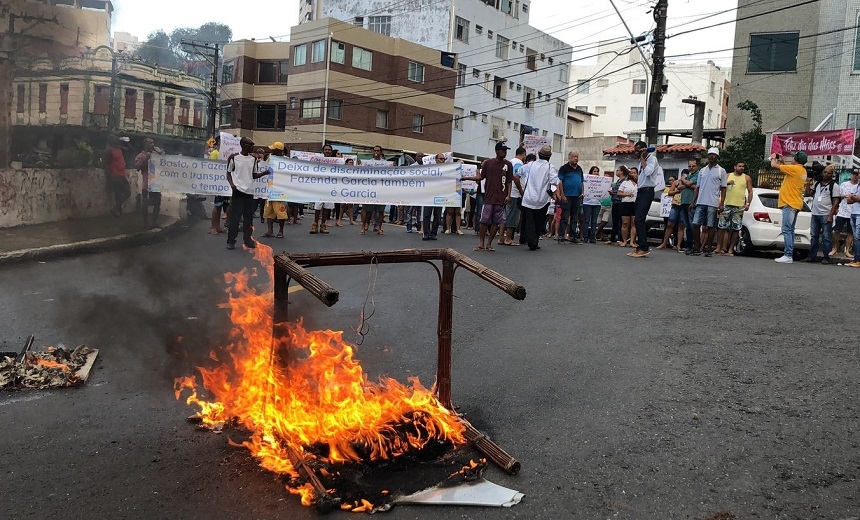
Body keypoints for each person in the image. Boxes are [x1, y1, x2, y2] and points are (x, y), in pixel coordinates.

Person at [465, 142, 513, 251]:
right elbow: (481, 177)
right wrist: (466, 178)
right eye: (502, 150)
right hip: (488, 197)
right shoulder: (488, 163)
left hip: (500, 198)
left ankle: (489, 243)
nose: (504, 152)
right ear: (497, 151)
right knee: (484, 220)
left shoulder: (508, 165)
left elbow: (509, 181)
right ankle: (481, 243)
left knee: (496, 222)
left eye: (505, 150)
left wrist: (508, 195)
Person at [514, 145, 560, 250]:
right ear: (550, 156)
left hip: (528, 198)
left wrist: (521, 191)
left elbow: (516, 175)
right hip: (542, 200)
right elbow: (555, 182)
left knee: (529, 221)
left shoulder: (530, 165)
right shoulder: (550, 167)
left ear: (539, 154)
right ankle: (534, 241)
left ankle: (531, 241)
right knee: (539, 222)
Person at [225, 137, 267, 250]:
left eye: (253, 144)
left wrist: (264, 173)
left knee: (248, 219)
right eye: (250, 144)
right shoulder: (234, 158)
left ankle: (247, 240)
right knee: (235, 218)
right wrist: (232, 185)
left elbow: (254, 175)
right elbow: (228, 173)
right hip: (238, 192)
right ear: (243, 144)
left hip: (249, 192)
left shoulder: (253, 159)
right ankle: (231, 241)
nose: (252, 146)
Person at [771, 151, 809, 264]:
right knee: (790, 230)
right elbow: (788, 167)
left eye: (793, 157)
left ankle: (788, 255)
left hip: (789, 203)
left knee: (786, 229)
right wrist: (782, 160)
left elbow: (774, 165)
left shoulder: (795, 169)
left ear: (796, 160)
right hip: (796, 203)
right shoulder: (801, 170)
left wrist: (773, 158)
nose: (791, 158)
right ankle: (789, 254)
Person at [629, 141, 664, 258]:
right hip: (641, 191)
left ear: (643, 149)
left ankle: (644, 247)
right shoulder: (640, 162)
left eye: (638, 150)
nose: (636, 153)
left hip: (648, 191)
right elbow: (642, 178)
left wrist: (643, 158)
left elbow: (648, 172)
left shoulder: (652, 159)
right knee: (637, 220)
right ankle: (640, 246)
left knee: (639, 219)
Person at [691, 148, 727, 257]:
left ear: (717, 157)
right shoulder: (702, 170)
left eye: (714, 155)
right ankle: (696, 247)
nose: (711, 156)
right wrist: (693, 202)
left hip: (713, 202)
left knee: (710, 226)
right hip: (701, 201)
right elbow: (697, 187)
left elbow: (724, 188)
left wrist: (721, 204)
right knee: (696, 224)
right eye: (710, 154)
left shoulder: (721, 171)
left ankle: (708, 248)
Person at [804, 163, 840, 264]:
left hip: (825, 214)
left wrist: (830, 215)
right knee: (814, 235)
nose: (825, 175)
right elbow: (808, 194)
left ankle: (825, 257)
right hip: (815, 213)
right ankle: (812, 256)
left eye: (828, 173)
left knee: (826, 236)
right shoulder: (817, 184)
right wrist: (808, 182)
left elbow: (835, 202)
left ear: (831, 175)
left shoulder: (834, 186)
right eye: (824, 172)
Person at [715, 161, 753, 256]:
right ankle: (719, 248)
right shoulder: (728, 175)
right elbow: (718, 187)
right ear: (735, 167)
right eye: (739, 166)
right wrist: (727, 183)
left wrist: (748, 203)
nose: (741, 168)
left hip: (739, 206)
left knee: (736, 228)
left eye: (743, 166)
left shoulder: (746, 178)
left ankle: (731, 249)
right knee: (722, 227)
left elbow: (750, 191)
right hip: (726, 204)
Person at [134, 138, 164, 229]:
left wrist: (160, 153)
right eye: (150, 143)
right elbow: (137, 167)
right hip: (146, 184)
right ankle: (146, 223)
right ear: (146, 145)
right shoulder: (141, 155)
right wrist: (146, 159)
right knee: (146, 203)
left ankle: (154, 222)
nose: (153, 145)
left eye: (153, 142)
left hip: (156, 184)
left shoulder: (155, 155)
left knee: (157, 204)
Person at [262, 142, 288, 239]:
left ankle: (280, 231)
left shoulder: (286, 161)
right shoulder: (270, 158)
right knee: (269, 211)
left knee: (280, 212)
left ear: (279, 151)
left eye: (274, 149)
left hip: (279, 190)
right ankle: (270, 231)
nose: (271, 150)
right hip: (270, 188)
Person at [557, 150, 584, 243]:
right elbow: (560, 182)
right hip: (567, 196)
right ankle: (561, 235)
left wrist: (582, 192)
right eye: (574, 157)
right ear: (569, 157)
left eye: (577, 157)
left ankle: (573, 236)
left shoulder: (579, 169)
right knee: (565, 217)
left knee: (574, 217)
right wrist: (562, 194)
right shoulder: (564, 168)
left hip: (577, 196)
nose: (576, 158)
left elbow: (581, 182)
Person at [500, 147, 526, 245]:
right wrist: (520, 189)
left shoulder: (509, 162)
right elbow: (515, 176)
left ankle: (502, 237)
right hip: (514, 193)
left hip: (507, 192)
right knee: (513, 216)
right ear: (523, 154)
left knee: (505, 215)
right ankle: (508, 238)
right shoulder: (518, 163)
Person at [310, 144, 336, 234]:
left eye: (329, 150)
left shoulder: (336, 161)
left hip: (330, 187)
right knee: (318, 207)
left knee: (327, 207)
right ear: (323, 151)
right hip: (319, 186)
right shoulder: (318, 160)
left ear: (331, 152)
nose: (327, 151)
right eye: (326, 149)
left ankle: (323, 225)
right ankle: (315, 224)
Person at [832, 169, 858, 258]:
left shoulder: (858, 186)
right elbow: (837, 196)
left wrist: (852, 197)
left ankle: (847, 250)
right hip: (842, 211)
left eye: (857, 174)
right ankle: (835, 248)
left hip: (853, 212)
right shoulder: (844, 184)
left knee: (850, 232)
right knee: (837, 230)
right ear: (851, 175)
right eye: (854, 174)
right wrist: (844, 196)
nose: (855, 176)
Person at [421, 154, 446, 240]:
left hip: (440, 195)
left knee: (437, 215)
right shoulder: (430, 169)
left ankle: (434, 233)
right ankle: (426, 233)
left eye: (444, 159)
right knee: (427, 214)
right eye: (441, 159)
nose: (442, 160)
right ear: (436, 160)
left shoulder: (447, 170)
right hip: (429, 194)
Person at [105, 135, 130, 217]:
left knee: (120, 193)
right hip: (116, 174)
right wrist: (110, 176)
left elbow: (126, 148)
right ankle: (117, 209)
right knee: (125, 192)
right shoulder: (110, 151)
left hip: (121, 174)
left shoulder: (118, 149)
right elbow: (107, 164)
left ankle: (117, 210)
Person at [656, 176, 682, 250]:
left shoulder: (681, 184)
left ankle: (678, 244)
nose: (670, 181)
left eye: (672, 180)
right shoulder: (666, 189)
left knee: (679, 226)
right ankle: (664, 243)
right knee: (668, 225)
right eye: (669, 180)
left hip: (680, 206)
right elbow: (668, 194)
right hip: (670, 209)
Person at [679, 158, 700, 254]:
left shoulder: (698, 174)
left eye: (693, 166)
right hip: (683, 201)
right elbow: (679, 187)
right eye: (689, 166)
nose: (691, 168)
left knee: (692, 225)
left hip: (692, 202)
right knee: (687, 225)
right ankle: (688, 245)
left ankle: (693, 245)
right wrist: (687, 184)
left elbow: (692, 185)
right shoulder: (689, 175)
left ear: (697, 166)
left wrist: (683, 180)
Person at [842, 169, 860, 267]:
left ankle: (859, 260)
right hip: (853, 212)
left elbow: (855, 198)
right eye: (857, 173)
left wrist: (853, 197)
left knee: (858, 237)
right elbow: (849, 200)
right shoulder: (857, 186)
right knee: (856, 238)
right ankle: (856, 259)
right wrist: (854, 197)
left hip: (859, 214)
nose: (857, 175)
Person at [606, 166, 627, 245]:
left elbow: (620, 192)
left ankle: (620, 238)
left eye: (618, 170)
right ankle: (613, 238)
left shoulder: (624, 181)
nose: (616, 171)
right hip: (615, 202)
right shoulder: (618, 181)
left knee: (621, 221)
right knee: (615, 221)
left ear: (622, 172)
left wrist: (613, 193)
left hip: (620, 202)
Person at [617, 167, 637, 248]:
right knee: (625, 223)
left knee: (634, 223)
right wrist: (627, 195)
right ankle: (624, 241)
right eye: (631, 173)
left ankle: (632, 241)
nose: (633, 174)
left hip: (635, 204)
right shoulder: (625, 183)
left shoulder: (640, 183)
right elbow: (619, 193)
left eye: (634, 173)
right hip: (626, 204)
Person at [581, 165, 601, 243]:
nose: (596, 173)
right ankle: (585, 237)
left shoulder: (601, 181)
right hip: (587, 202)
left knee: (594, 221)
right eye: (594, 171)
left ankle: (592, 237)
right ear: (591, 172)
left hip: (597, 203)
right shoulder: (586, 179)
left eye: (597, 171)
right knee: (586, 220)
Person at [596, 169, 614, 241]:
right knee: (599, 221)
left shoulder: (613, 185)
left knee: (605, 220)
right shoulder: (599, 186)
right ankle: (601, 235)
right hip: (600, 204)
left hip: (608, 205)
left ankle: (597, 232)